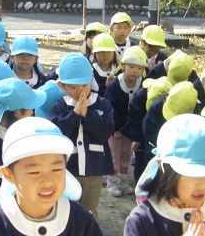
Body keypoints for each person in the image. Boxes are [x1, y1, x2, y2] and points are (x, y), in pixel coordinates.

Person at [50, 53, 115, 218]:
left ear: (91, 79)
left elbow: (105, 133)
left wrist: (88, 115)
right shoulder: (60, 106)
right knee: (67, 209)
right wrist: (75, 114)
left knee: (89, 210)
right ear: (62, 85)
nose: (80, 91)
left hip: (94, 169)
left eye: (84, 85)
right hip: (68, 169)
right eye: (73, 87)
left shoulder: (102, 104)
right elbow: (57, 135)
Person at [0, 77, 46, 220]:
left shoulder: (25, 128)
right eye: (30, 108)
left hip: (16, 191)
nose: (32, 112)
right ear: (17, 112)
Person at [104, 46, 148, 197]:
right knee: (113, 153)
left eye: (139, 68)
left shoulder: (144, 84)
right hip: (116, 128)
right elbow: (110, 107)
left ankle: (122, 179)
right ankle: (111, 180)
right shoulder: (115, 85)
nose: (135, 71)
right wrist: (115, 128)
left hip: (130, 127)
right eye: (131, 66)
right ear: (122, 66)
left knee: (126, 154)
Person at [90, 33, 119, 98]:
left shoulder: (118, 69)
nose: (105, 55)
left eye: (108, 52)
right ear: (95, 54)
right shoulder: (92, 71)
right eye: (101, 52)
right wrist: (105, 86)